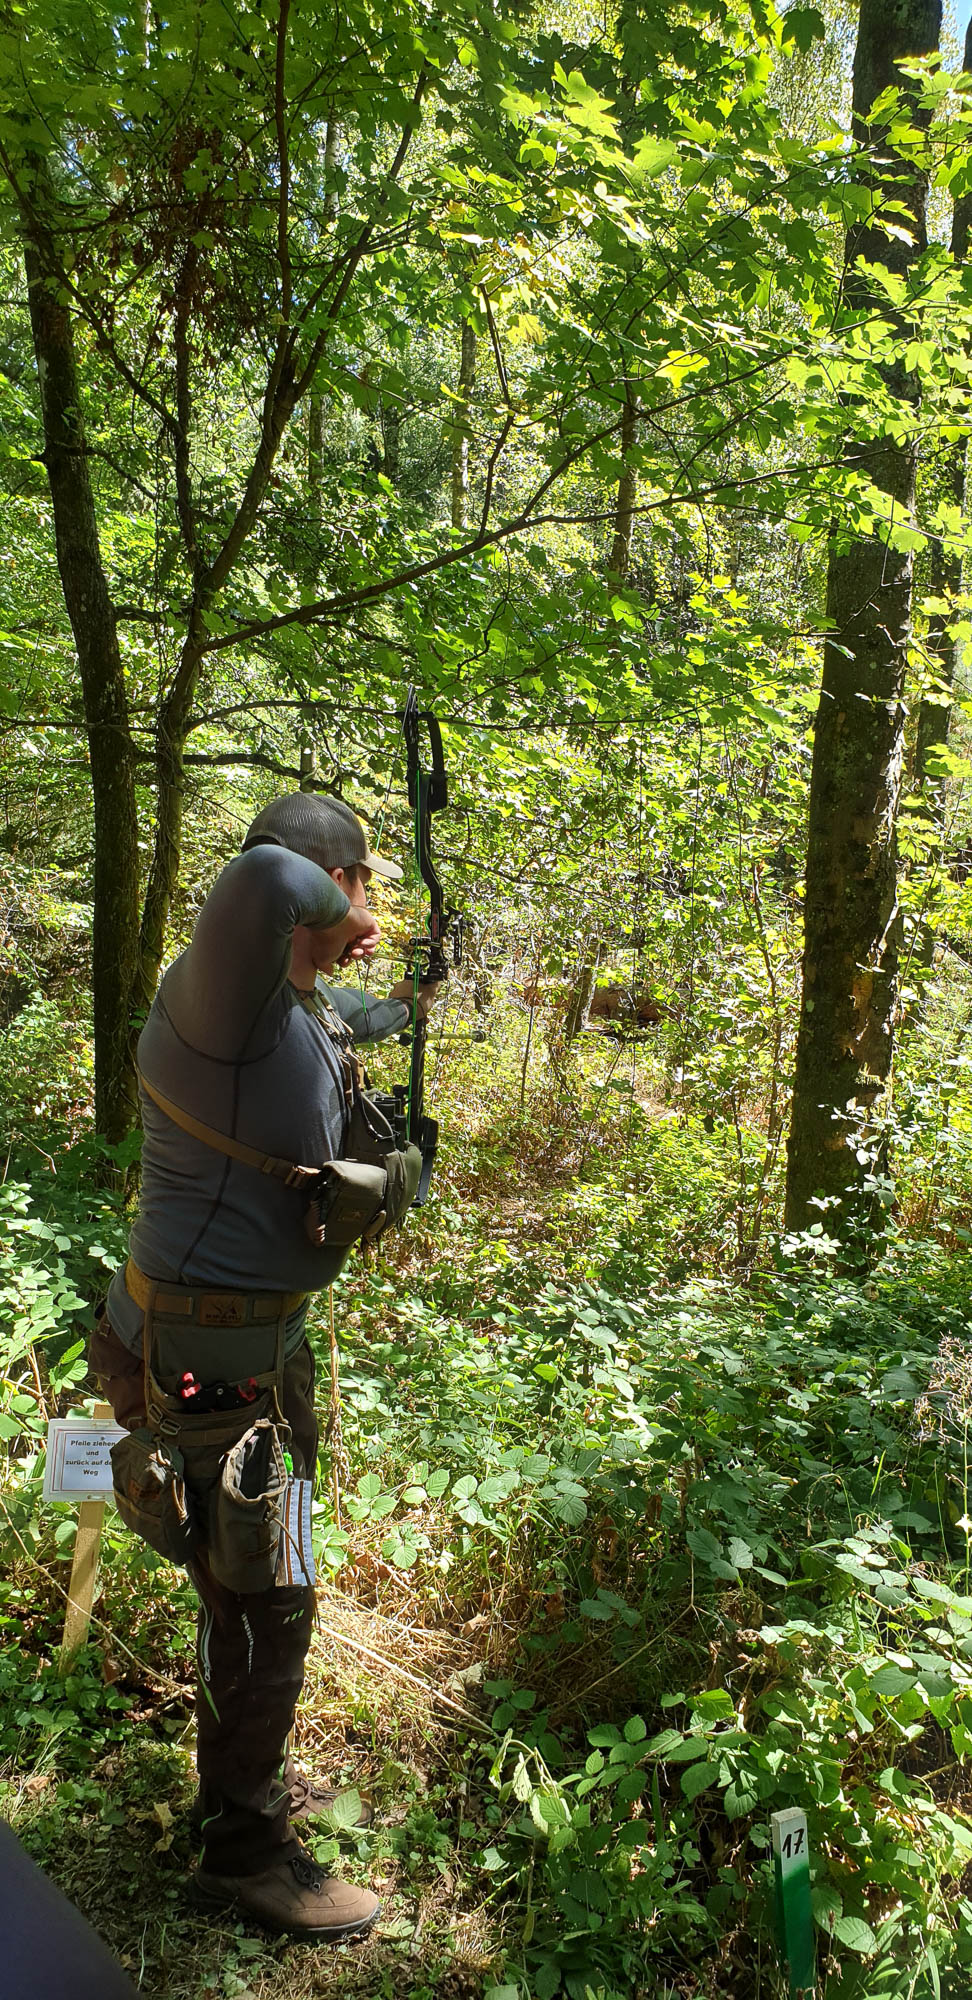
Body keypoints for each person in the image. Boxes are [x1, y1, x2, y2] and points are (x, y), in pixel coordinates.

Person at [90, 793, 431, 1943]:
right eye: (360, 884)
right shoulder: (215, 990)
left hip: (252, 1351)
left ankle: (242, 1776)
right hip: (207, 1364)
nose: (365, 909)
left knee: (245, 1585)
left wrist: (403, 994)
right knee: (267, 1595)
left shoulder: (286, 1002)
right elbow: (264, 879)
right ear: (325, 880)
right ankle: (242, 1847)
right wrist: (343, 898)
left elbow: (356, 1019)